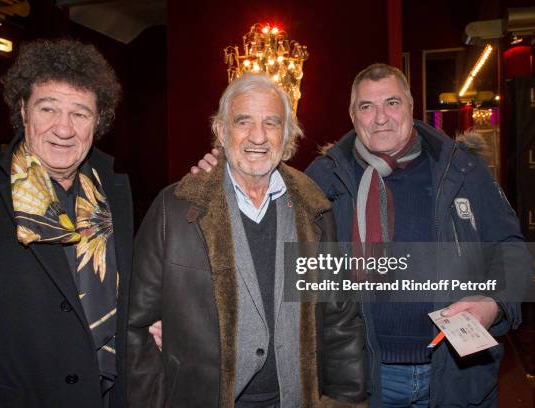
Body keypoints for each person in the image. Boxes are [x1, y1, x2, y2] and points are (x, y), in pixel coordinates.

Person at [126, 73, 367, 407]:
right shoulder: (175, 210)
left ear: (287, 136)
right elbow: (134, 326)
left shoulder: (316, 211)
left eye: (271, 123)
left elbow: (339, 319)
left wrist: (346, 399)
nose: (258, 136)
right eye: (244, 122)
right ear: (222, 133)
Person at [0, 39, 132, 407]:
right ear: (23, 110)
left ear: (98, 121)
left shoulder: (114, 192)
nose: (63, 129)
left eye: (80, 113)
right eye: (48, 108)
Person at [305, 63, 526, 407]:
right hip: (363, 379)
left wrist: (494, 304)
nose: (381, 118)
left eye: (392, 103)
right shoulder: (324, 178)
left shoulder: (462, 168)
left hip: (455, 374)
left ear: (410, 106)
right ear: (353, 115)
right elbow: (273, 231)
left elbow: (510, 250)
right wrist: (218, 175)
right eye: (367, 107)